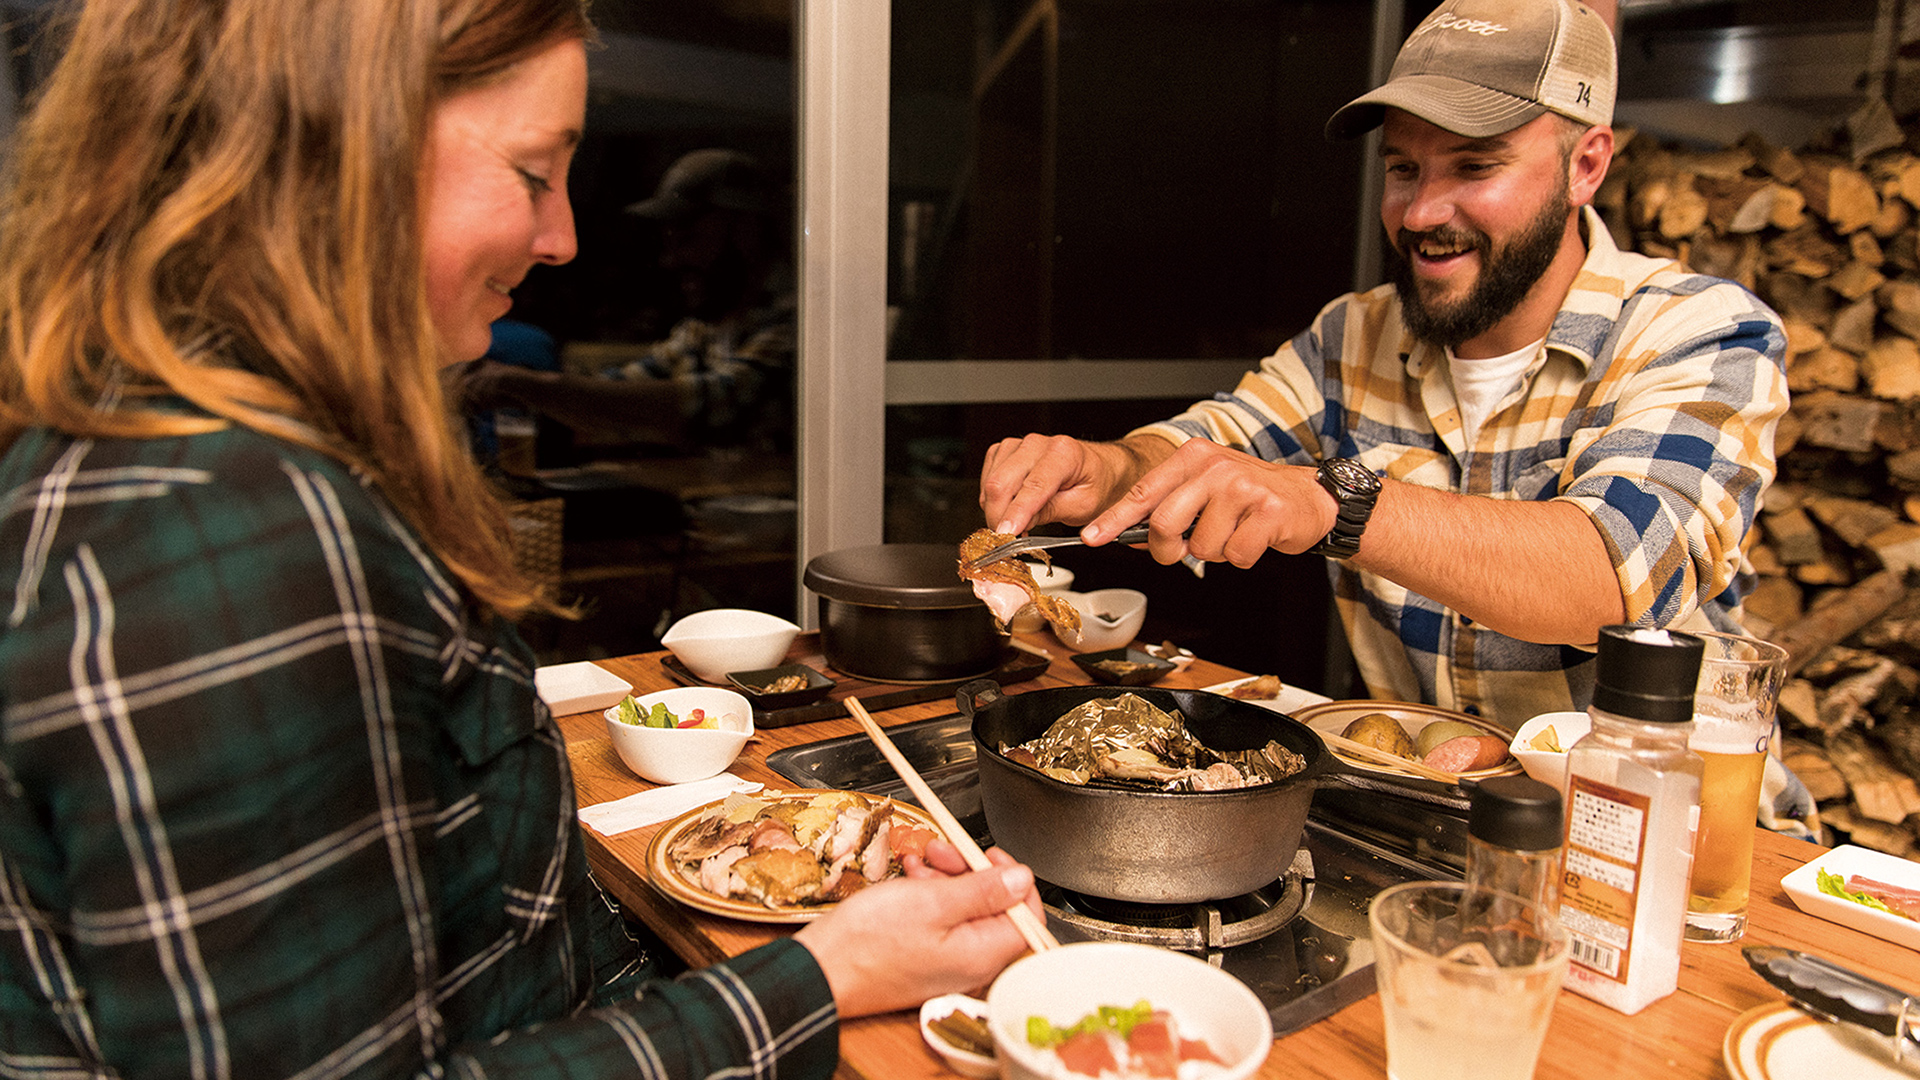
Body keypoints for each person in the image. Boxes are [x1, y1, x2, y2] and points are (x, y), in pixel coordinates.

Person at [0, 3, 1038, 1078]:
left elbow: (483, 926)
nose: (564, 239)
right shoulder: (233, 531)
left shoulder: (187, 442)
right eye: (535, 172)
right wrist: (824, 981)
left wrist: (831, 876)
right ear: (341, 149)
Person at [978, 0, 1790, 731]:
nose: (1423, 213)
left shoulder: (1702, 329)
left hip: (1659, 839)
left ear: (1586, 165)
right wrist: (1109, 469)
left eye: (1475, 166)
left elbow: (1615, 574)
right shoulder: (1354, 333)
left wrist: (1336, 503)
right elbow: (1210, 446)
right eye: (1404, 169)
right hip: (1422, 815)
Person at [455, 148, 796, 458]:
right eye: (670, 243)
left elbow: (712, 406)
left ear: (747, 233)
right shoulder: (704, 329)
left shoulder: (796, 324)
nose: (670, 260)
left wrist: (523, 384)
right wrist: (519, 384)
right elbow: (619, 387)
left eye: (689, 238)